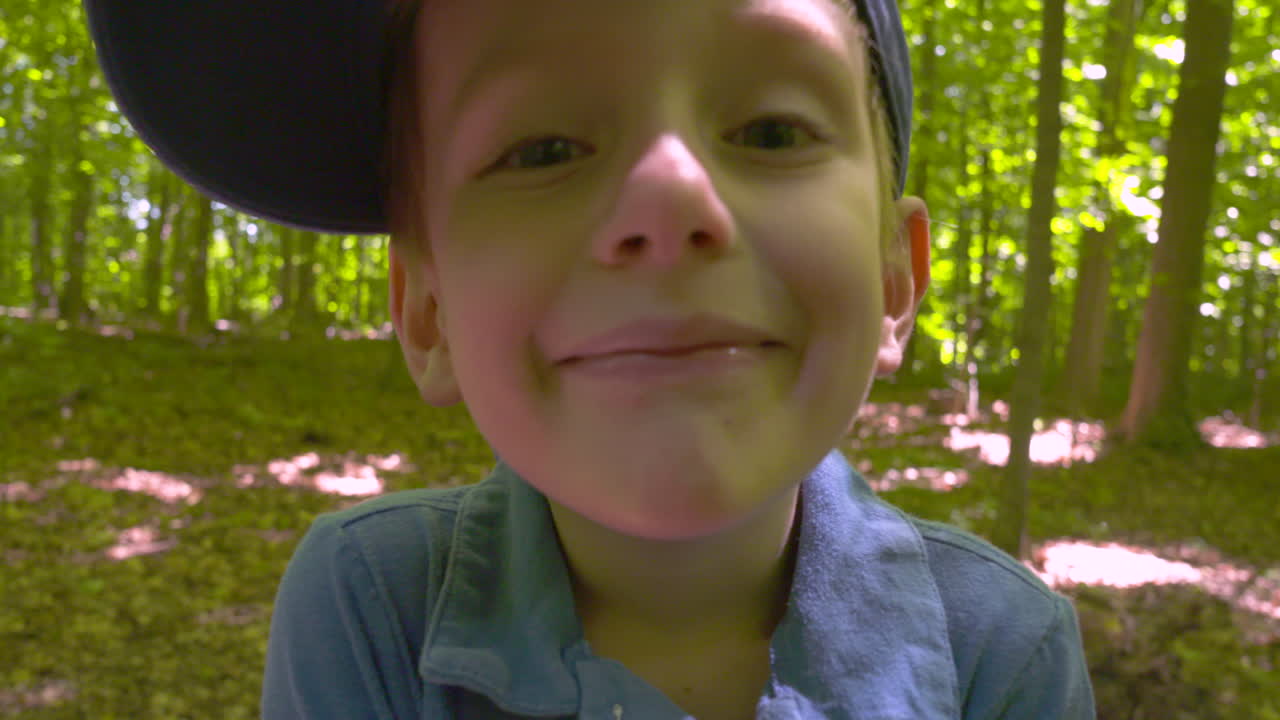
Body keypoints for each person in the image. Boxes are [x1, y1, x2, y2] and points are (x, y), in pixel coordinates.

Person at [84, 0, 1097, 717]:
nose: (669, 196)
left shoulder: (999, 653)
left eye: (770, 129)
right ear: (426, 309)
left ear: (894, 277)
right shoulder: (367, 605)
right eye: (541, 151)